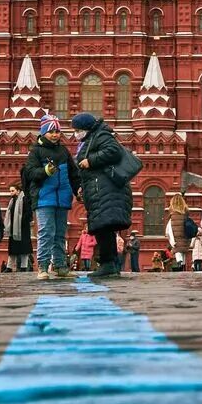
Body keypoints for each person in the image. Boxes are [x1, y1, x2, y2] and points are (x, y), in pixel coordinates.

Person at [72, 112, 132, 279]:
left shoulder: (101, 135)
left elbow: (113, 151)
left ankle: (108, 264)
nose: (76, 134)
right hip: (99, 190)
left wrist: (91, 161)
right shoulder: (92, 138)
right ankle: (110, 263)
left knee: (103, 226)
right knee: (104, 227)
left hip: (106, 190)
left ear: (86, 128)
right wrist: (82, 186)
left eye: (77, 130)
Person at [22, 115, 76, 279]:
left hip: (62, 198)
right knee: (46, 232)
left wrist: (78, 189)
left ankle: (60, 266)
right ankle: (43, 266)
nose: (54, 135)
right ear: (43, 132)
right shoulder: (36, 151)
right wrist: (45, 171)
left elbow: (73, 173)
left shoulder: (63, 151)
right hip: (44, 197)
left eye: (57, 131)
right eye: (51, 131)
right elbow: (30, 173)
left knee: (60, 233)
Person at [5, 187, 35, 274]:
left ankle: (23, 267)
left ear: (18, 191)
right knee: (12, 250)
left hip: (23, 229)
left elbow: (28, 213)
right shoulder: (12, 201)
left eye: (12, 191)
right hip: (13, 228)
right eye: (10, 191)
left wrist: (21, 221)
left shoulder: (24, 199)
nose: (11, 193)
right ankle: (9, 267)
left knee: (24, 249)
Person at [164, 194, 191, 270]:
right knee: (183, 250)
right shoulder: (186, 213)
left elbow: (169, 229)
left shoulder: (172, 213)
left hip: (175, 235)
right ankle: (182, 264)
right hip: (185, 235)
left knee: (177, 249)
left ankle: (179, 262)